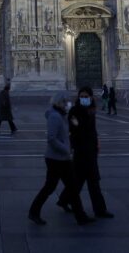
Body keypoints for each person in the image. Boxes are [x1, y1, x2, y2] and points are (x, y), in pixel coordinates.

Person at [28, 93, 92, 226]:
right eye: (66, 102)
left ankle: (80, 216)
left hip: (62, 158)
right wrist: (66, 149)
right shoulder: (55, 117)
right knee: (50, 187)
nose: (68, 104)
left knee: (72, 188)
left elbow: (65, 134)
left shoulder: (61, 116)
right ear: (59, 103)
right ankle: (34, 212)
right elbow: (51, 138)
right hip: (56, 159)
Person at [61, 86, 114, 219]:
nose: (84, 99)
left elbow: (92, 130)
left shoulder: (91, 110)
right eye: (82, 96)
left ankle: (64, 200)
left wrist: (97, 142)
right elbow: (75, 127)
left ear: (91, 97)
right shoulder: (75, 110)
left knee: (85, 180)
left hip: (90, 150)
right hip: (80, 150)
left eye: (86, 96)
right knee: (89, 180)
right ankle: (99, 210)